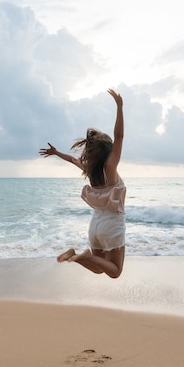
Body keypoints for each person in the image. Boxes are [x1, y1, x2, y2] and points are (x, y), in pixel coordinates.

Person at [39, 89, 125, 278]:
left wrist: (56, 152)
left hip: (95, 224)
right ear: (109, 152)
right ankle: (82, 256)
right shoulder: (109, 169)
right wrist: (119, 107)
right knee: (115, 272)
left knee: (99, 268)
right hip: (112, 224)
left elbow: (72, 160)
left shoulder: (91, 171)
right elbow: (119, 137)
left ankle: (77, 256)